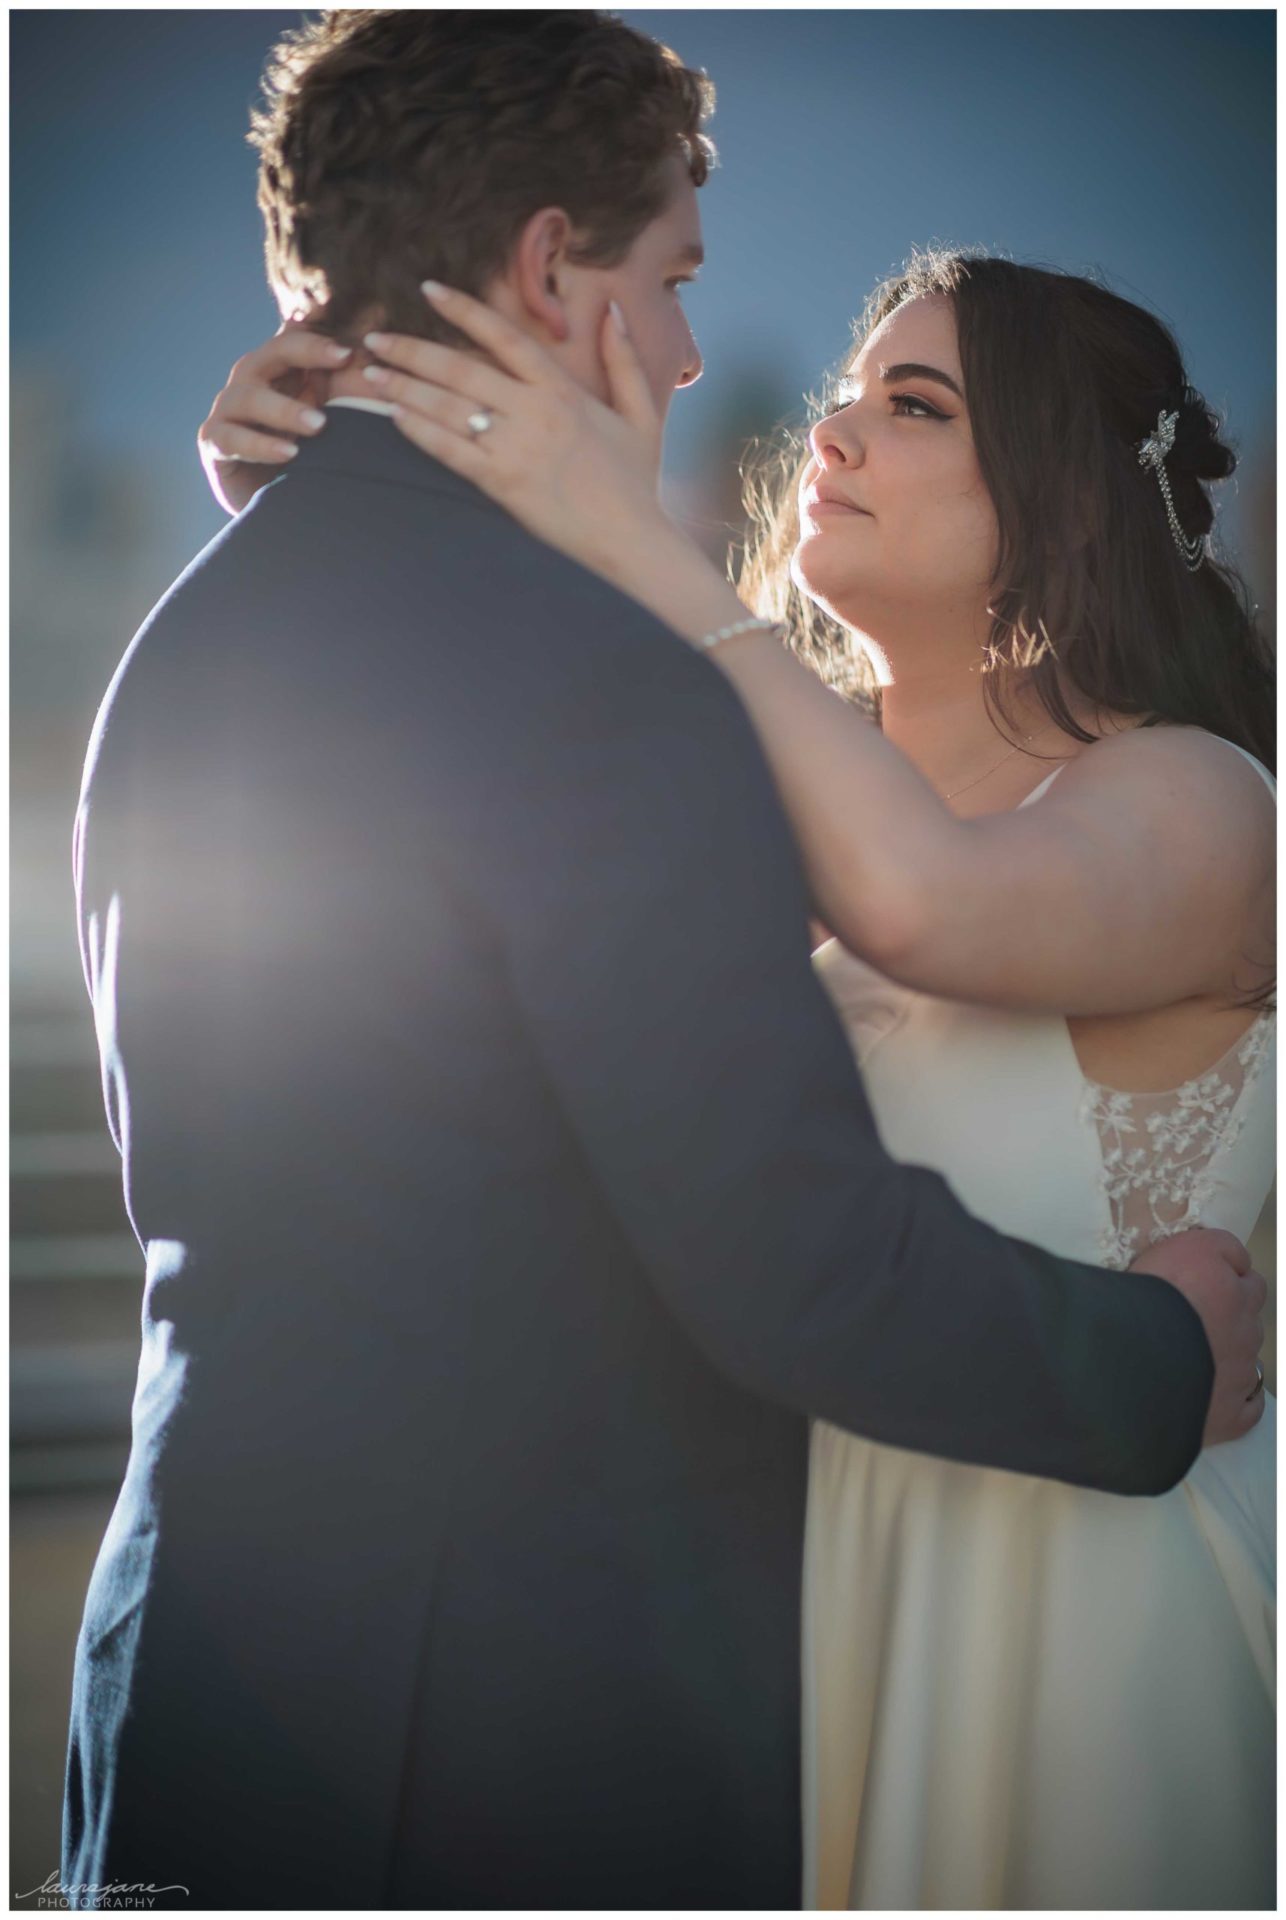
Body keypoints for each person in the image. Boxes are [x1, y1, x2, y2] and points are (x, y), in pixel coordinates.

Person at [66, 12, 1263, 1911]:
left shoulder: (209, 627)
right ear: (555, 267)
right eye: (674, 279)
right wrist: (1152, 1360)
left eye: (920, 403)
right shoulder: (599, 687)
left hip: (214, 1676)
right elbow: (785, 1247)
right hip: (489, 1739)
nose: (709, 361)